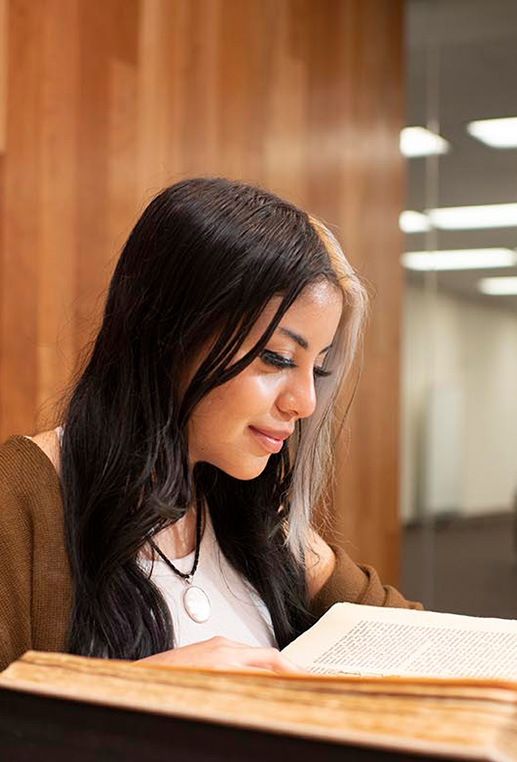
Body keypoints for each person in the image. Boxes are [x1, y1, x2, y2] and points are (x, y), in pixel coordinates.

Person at [0, 177, 422, 674]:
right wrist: (141, 691)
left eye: (319, 367)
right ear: (172, 333)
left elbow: (417, 647)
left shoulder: (262, 525)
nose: (304, 402)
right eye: (276, 357)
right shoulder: (20, 501)